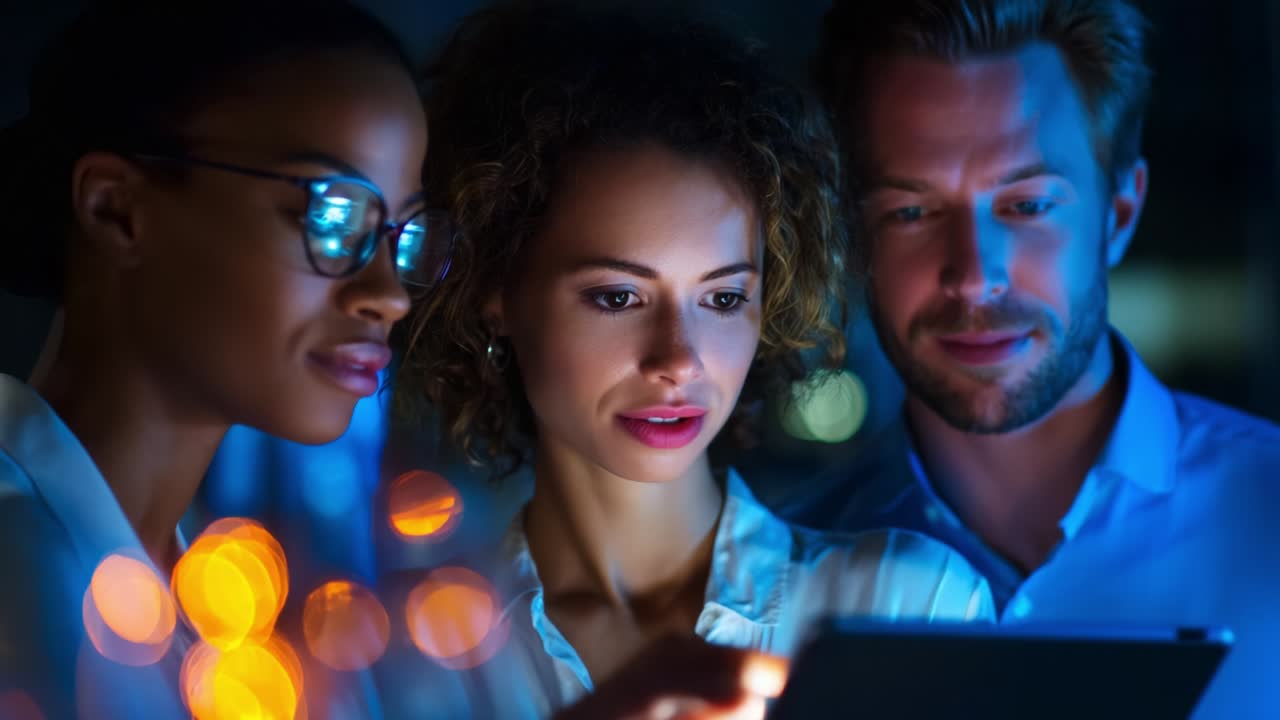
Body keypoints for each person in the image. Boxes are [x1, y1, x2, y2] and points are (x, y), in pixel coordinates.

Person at [384, 4, 994, 718]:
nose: (678, 359)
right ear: (496, 291)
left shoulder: (904, 611)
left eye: (724, 297)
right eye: (617, 297)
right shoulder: (416, 650)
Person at [795, 0, 1280, 716]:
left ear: (1118, 215)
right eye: (911, 211)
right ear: (857, 239)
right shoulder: (776, 573)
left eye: (1026, 205)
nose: (972, 275)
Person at [0, 1, 451, 716]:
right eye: (331, 217)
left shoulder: (229, 611)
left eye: (404, 233)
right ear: (117, 209)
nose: (389, 295)